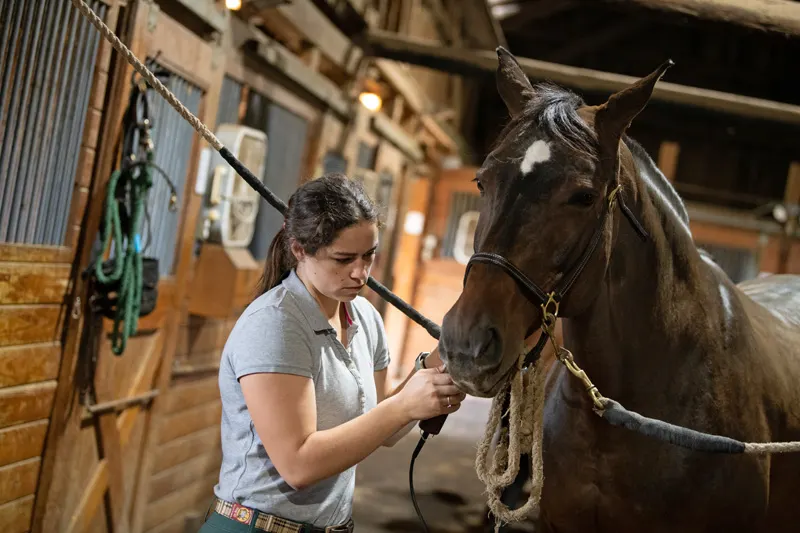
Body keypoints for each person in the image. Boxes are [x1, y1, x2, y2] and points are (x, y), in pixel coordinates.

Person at [199, 173, 466, 533]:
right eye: (343, 259)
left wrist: (440, 360)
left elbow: (380, 426)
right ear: (299, 250)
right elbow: (298, 466)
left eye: (369, 255)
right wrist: (403, 406)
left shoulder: (364, 316)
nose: (361, 274)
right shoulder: (276, 325)